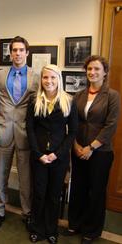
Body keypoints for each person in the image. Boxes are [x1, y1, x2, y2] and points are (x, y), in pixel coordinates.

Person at [64, 55, 120, 244]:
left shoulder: (112, 96)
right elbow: (73, 123)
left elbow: (110, 126)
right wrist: (76, 145)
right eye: (89, 69)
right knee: (78, 188)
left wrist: (91, 147)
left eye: (97, 69)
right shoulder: (79, 95)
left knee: (95, 191)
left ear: (104, 72)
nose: (92, 72)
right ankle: (75, 223)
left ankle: (91, 230)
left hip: (101, 152)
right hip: (78, 148)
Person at [26, 64, 78, 243]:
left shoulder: (69, 101)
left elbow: (72, 132)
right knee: (39, 193)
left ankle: (51, 230)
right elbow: (30, 129)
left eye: (53, 77)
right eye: (45, 77)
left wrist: (57, 154)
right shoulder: (34, 100)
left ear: (59, 79)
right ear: (41, 79)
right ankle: (36, 228)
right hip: (38, 155)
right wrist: (38, 153)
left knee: (54, 195)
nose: (49, 81)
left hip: (59, 157)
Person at [0, 36, 38, 229]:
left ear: (27, 53)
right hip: (3, 131)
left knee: (26, 177)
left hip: (26, 133)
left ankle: (27, 212)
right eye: (14, 50)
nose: (17, 53)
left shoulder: (37, 76)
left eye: (21, 50)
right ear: (10, 53)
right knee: (1, 174)